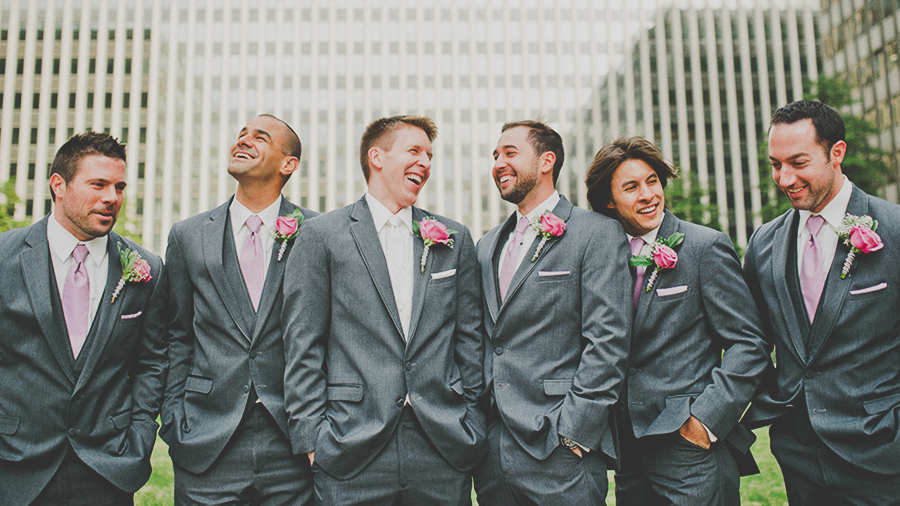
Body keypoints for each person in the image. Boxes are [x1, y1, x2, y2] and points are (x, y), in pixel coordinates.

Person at [282, 115, 486, 505]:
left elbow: (469, 338)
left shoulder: (454, 238)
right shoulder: (322, 235)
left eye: (429, 155)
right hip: (350, 445)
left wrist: (469, 421)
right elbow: (303, 341)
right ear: (376, 156)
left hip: (442, 445)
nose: (425, 162)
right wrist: (313, 440)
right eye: (414, 151)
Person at [584, 136, 769, 505]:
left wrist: (705, 421)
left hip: (690, 448)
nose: (648, 194)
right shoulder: (603, 258)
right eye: (631, 187)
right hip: (627, 452)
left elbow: (749, 344)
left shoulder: (704, 247)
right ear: (609, 200)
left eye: (652, 181)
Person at [742, 100, 900, 503]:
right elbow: (751, 339)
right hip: (798, 454)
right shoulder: (764, 243)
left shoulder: (895, 230)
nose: (785, 178)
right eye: (776, 164)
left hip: (884, 452)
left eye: (798, 162)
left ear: (837, 153)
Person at [0, 132, 167, 506]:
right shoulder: (3, 258)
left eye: (119, 187)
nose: (112, 198)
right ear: (58, 185)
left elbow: (153, 362)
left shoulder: (146, 269)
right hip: (13, 466)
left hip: (106, 467)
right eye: (99, 184)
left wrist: (138, 435)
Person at [471, 120, 631, 505]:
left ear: (547, 161)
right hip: (493, 450)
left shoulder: (596, 233)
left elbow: (608, 339)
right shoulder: (487, 244)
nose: (499, 163)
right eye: (495, 156)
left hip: (561, 447)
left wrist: (576, 430)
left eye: (510, 153)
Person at [160, 114, 316, 505]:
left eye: (259, 137)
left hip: (293, 444)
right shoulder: (188, 235)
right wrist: (176, 420)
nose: (242, 141)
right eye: (240, 135)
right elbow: (176, 334)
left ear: (288, 164)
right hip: (207, 439)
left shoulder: (317, 233)